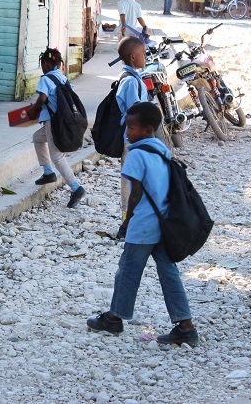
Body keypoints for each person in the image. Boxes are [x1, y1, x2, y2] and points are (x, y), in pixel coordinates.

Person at [86, 102, 198, 346]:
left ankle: (114, 318)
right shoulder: (161, 149)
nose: (127, 132)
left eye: (131, 128)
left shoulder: (136, 154)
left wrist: (127, 221)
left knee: (127, 271)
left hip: (143, 224)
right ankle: (185, 326)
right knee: (169, 273)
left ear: (147, 129)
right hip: (163, 223)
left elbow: (134, 193)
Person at [27, 48, 87, 209]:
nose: (42, 67)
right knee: (38, 138)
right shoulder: (62, 77)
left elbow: (42, 98)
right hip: (62, 120)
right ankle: (48, 172)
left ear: (46, 63)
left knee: (58, 157)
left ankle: (76, 188)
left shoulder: (46, 79)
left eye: (42, 64)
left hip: (54, 122)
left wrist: (33, 110)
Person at [115, 36, 148, 221]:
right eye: (142, 53)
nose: (145, 56)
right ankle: (126, 220)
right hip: (131, 141)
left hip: (137, 140)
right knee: (128, 183)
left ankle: (136, 218)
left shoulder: (135, 78)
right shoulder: (129, 82)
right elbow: (133, 112)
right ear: (132, 57)